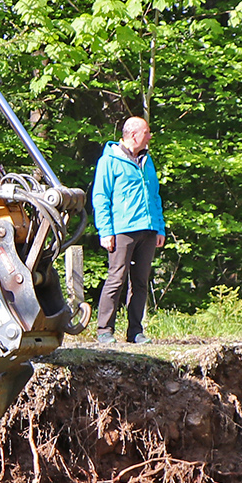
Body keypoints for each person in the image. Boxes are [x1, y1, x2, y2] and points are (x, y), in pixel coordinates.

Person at [91, 116, 166, 344]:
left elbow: (155, 195)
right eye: (146, 132)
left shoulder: (147, 159)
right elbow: (101, 197)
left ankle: (135, 331)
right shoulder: (109, 161)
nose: (150, 136)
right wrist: (105, 231)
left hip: (148, 229)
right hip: (122, 229)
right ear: (133, 135)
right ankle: (105, 330)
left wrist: (159, 227)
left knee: (141, 282)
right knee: (116, 278)